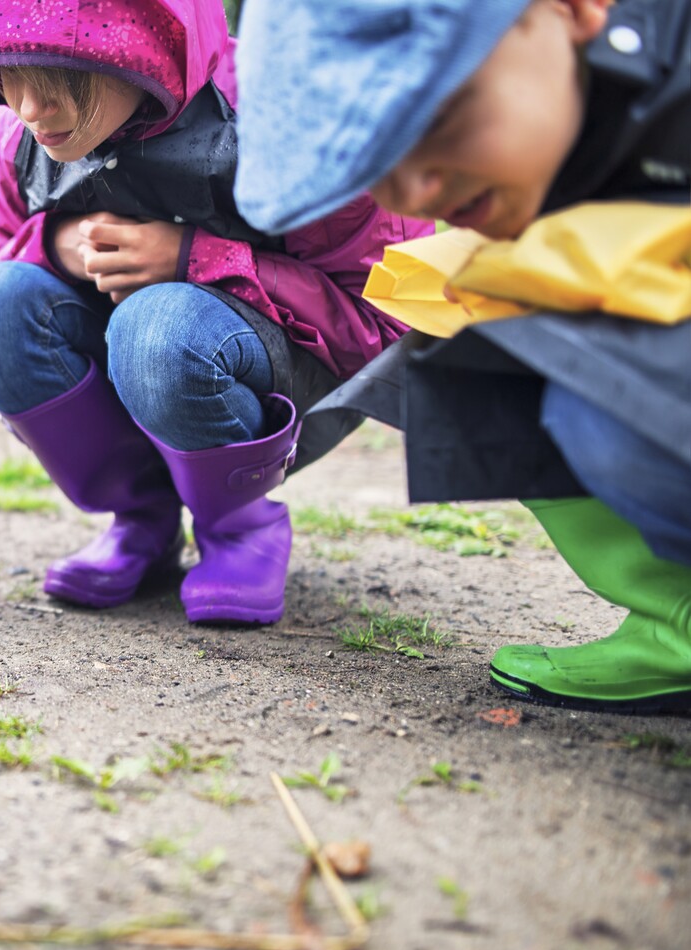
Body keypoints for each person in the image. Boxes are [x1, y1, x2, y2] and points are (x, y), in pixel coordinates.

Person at [234, 0, 691, 710]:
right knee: (487, 356)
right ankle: (679, 627)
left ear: (574, 11)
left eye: (442, 120)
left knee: (594, 384)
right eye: (377, 159)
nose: (414, 190)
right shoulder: (557, 112)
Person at [0, 0, 426, 625]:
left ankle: (238, 526)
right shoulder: (19, 132)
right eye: (9, 74)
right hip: (139, 361)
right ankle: (143, 519)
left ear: (140, 48)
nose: (31, 108)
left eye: (63, 77)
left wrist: (196, 258)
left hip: (280, 381)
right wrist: (60, 245)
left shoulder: (289, 116)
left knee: (158, 327)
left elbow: (389, 327)